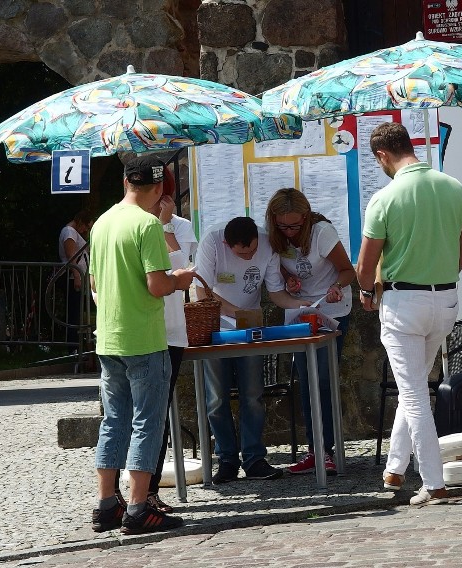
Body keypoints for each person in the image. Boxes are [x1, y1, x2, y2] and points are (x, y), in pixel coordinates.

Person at [356, 122, 462, 506]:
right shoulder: (454, 187)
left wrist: (365, 289)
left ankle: (435, 483)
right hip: (446, 299)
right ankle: (394, 468)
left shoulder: (384, 198)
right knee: (416, 385)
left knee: (414, 395)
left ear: (382, 156)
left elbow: (365, 265)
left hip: (404, 303)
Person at [88, 155, 195, 535]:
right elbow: (157, 285)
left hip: (110, 337)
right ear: (159, 189)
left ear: (125, 183)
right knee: (147, 423)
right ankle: (137, 508)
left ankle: (106, 505)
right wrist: (180, 279)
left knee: (113, 420)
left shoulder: (102, 223)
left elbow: (97, 284)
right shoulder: (147, 225)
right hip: (146, 339)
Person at [194, 216, 310, 483]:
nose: (248, 257)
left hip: (251, 330)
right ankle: (226, 460)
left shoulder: (267, 243)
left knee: (253, 395)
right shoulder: (211, 240)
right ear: (227, 244)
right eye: (241, 253)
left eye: (252, 251)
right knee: (216, 399)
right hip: (216, 328)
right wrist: (238, 314)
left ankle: (254, 458)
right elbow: (202, 292)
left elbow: (276, 293)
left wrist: (302, 305)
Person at [112, 165, 197, 513]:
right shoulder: (131, 224)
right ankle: (131, 496)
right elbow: (167, 279)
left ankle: (144, 494)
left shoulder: (177, 226)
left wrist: (163, 225)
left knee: (152, 416)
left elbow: (186, 265)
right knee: (132, 418)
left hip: (170, 330)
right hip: (139, 331)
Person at [265, 188, 355, 475]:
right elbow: (279, 272)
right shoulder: (274, 236)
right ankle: (315, 450)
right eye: (282, 226)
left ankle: (328, 450)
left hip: (331, 310)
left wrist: (336, 287)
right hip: (300, 310)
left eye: (294, 225)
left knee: (324, 380)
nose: (289, 231)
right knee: (305, 380)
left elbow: (347, 270)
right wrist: (289, 280)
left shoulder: (321, 232)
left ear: (305, 218)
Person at [58, 210, 94, 346]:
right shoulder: (69, 232)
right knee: (74, 312)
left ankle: (75, 343)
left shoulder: (74, 233)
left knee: (77, 311)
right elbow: (71, 256)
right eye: (86, 226)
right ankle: (72, 345)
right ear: (80, 222)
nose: (86, 230)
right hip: (72, 278)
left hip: (76, 276)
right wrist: (77, 276)